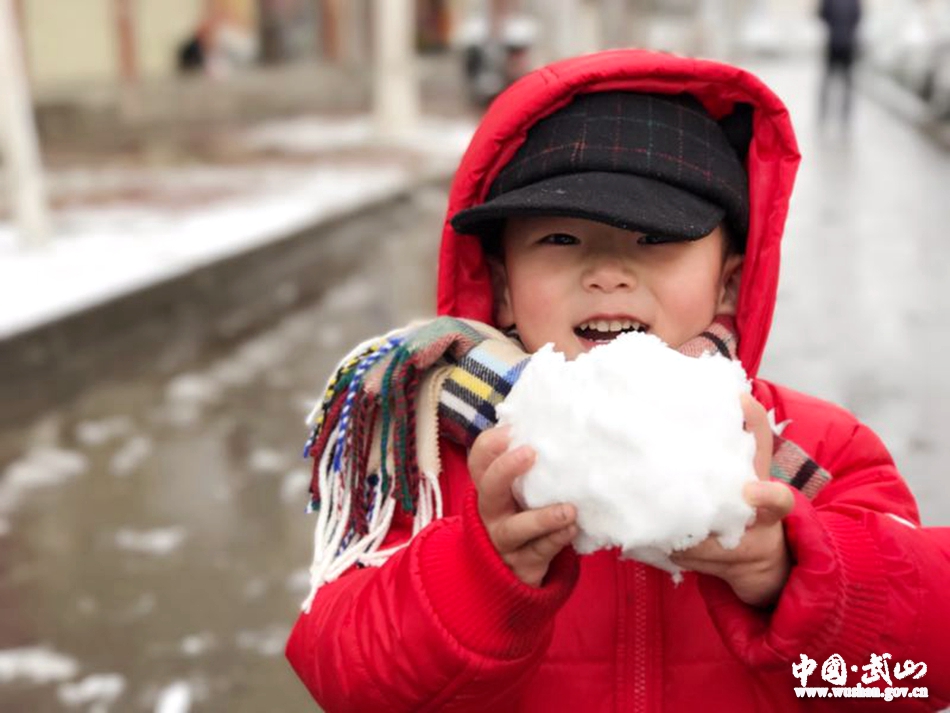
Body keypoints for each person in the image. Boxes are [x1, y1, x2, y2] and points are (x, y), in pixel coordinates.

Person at [285, 49, 950, 711]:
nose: (607, 273)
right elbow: (347, 678)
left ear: (728, 282)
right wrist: (482, 571)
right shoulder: (432, 459)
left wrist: (788, 570)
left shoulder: (818, 449)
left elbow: (920, 673)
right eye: (561, 239)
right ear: (504, 288)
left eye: (655, 239)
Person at [818, 0, 863, 127]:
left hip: (834, 42)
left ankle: (825, 113)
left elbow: (822, 14)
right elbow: (858, 17)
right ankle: (843, 114)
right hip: (847, 43)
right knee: (845, 82)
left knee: (829, 80)